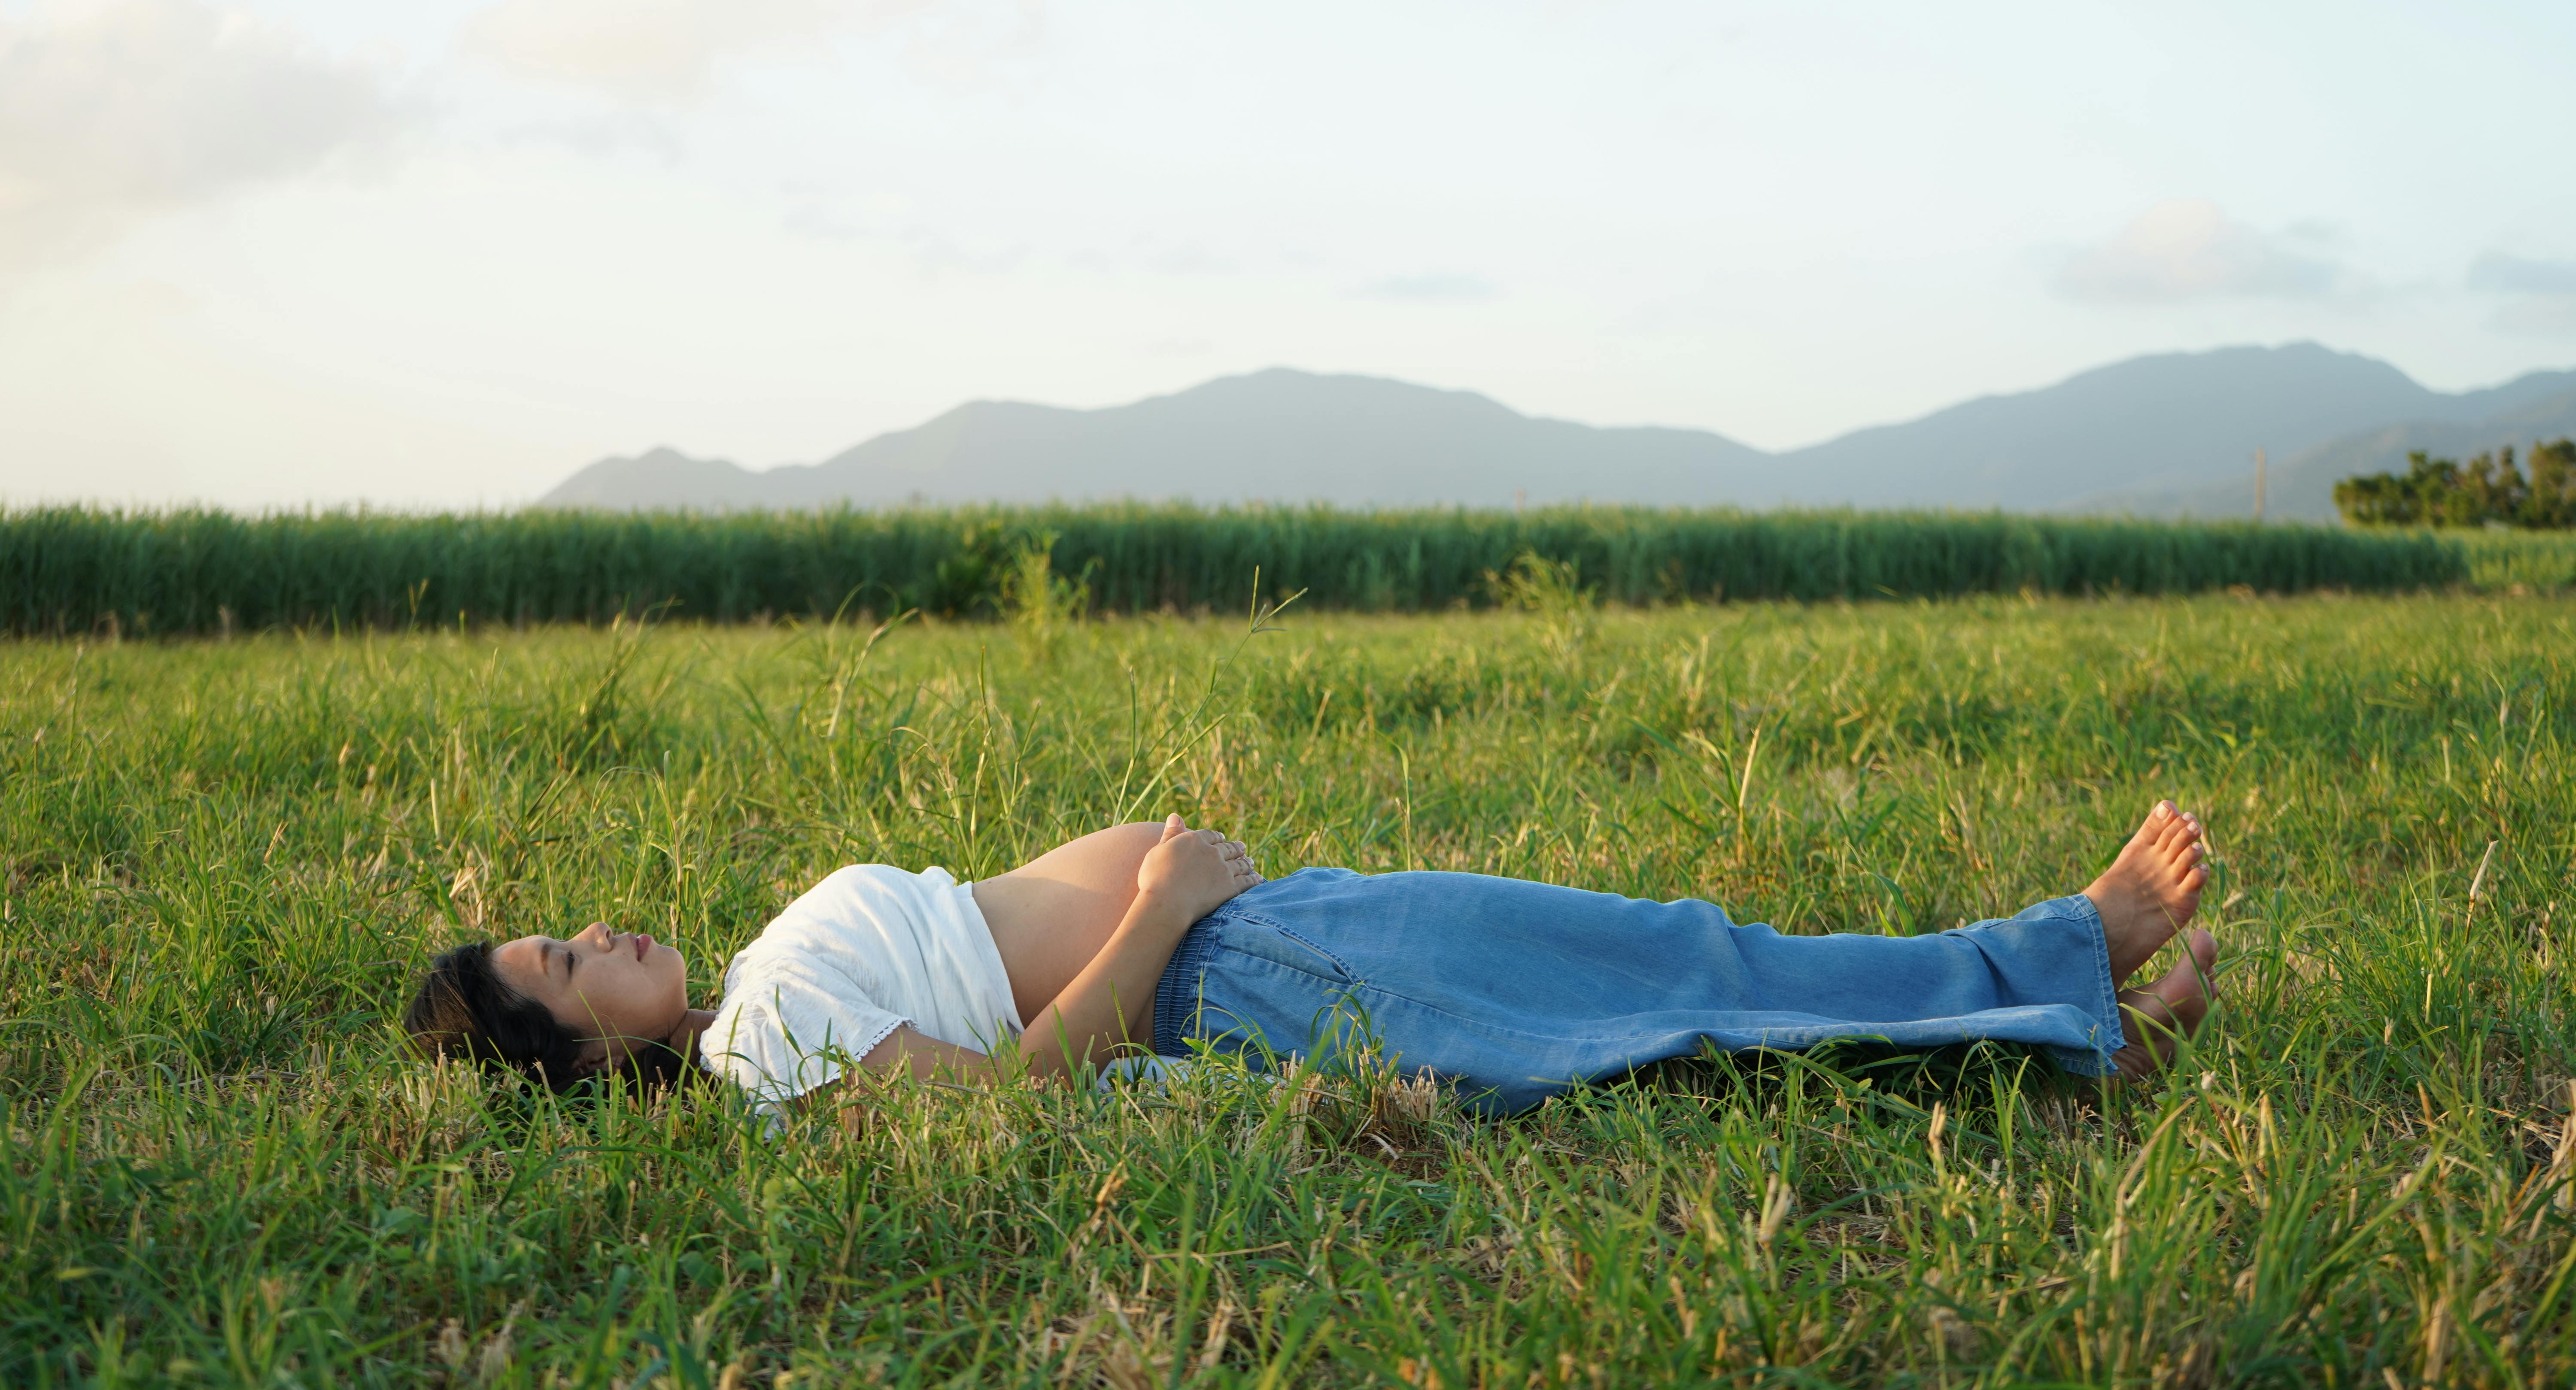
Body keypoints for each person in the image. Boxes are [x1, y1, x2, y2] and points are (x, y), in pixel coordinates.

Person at [404, 801, 2217, 1116]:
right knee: (1659, 988)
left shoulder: (754, 985)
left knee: (1652, 978)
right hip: (1243, 974)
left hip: (1257, 944)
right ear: (587, 1055)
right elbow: (1004, 1105)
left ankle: (2069, 1022)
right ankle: (2064, 968)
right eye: (566, 963)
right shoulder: (757, 1053)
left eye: (567, 927)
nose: (598, 931)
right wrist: (1164, 901)